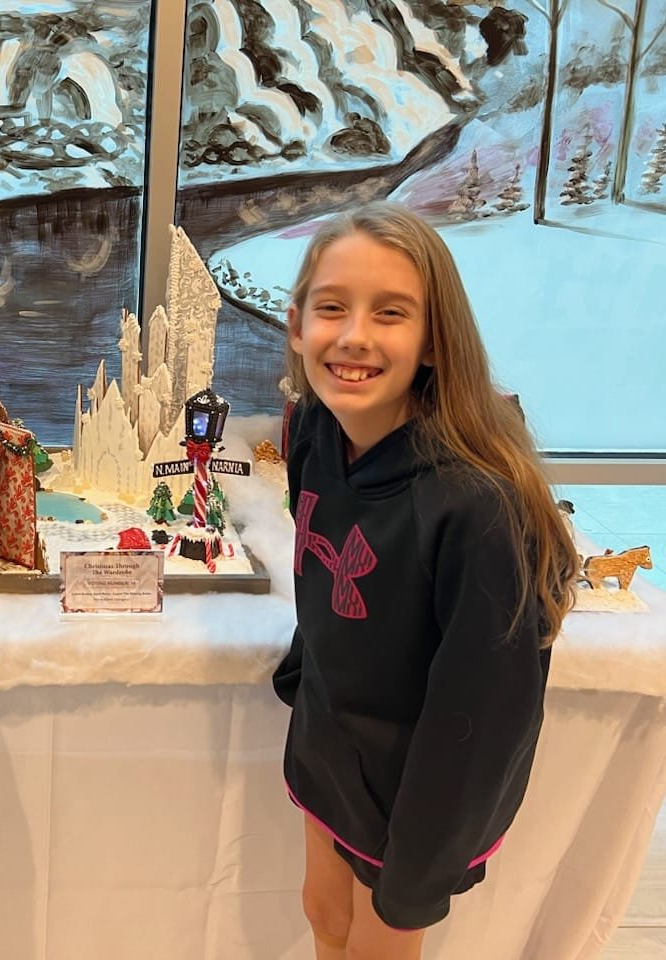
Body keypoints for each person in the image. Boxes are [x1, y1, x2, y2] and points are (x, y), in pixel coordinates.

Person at [271, 203, 578, 959]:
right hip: (331, 739)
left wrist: (422, 865)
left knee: (377, 945)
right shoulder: (315, 429)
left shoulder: (479, 508)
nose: (354, 336)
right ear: (297, 325)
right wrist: (306, 675)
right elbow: (324, 558)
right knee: (323, 911)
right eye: (332, 307)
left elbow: (489, 712)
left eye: (391, 313)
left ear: (435, 338)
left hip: (416, 783)